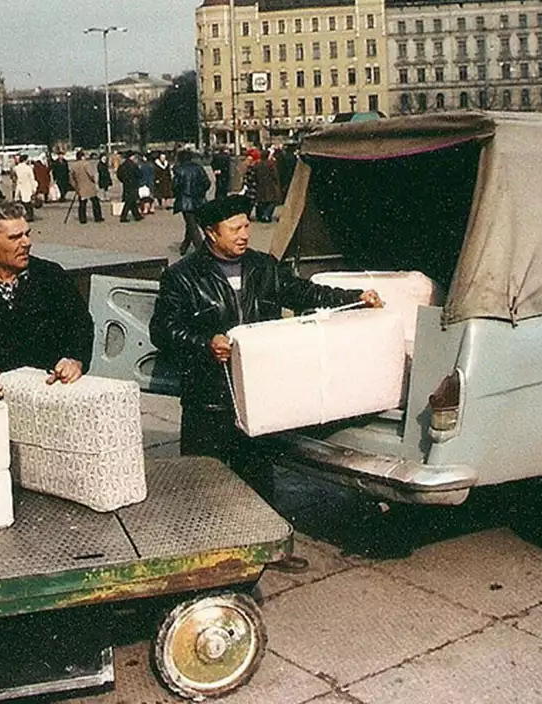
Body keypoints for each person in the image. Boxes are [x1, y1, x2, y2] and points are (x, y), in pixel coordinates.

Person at [149, 194, 382, 510]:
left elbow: (305, 292)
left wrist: (354, 298)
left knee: (258, 478)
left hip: (258, 397)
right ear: (211, 233)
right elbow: (163, 330)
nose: (244, 234)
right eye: (234, 229)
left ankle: (270, 550)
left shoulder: (264, 267)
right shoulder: (183, 276)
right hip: (209, 401)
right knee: (202, 483)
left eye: (246, 226)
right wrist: (206, 343)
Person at [0, 200, 94, 396]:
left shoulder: (52, 277)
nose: (26, 243)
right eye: (15, 237)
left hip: (52, 393)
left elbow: (81, 326)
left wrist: (76, 361)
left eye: (27, 234)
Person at [172, 149, 211, 254]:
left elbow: (175, 186)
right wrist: (200, 192)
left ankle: (200, 249)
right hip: (199, 200)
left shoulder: (179, 170)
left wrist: (179, 193)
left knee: (192, 225)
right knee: (193, 223)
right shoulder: (199, 168)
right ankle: (184, 246)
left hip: (185, 201)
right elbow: (207, 183)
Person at [71, 149, 104, 223]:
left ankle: (82, 219)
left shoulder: (74, 165)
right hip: (89, 186)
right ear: (82, 157)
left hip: (80, 186)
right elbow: (91, 174)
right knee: (95, 202)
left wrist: (75, 185)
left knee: (82, 204)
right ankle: (98, 217)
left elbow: (71, 177)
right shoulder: (86, 164)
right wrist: (94, 181)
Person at [253, 149, 282, 222]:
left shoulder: (258, 165)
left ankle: (262, 215)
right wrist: (277, 184)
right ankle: (266, 215)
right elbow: (275, 175)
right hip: (270, 185)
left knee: (262, 202)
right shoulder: (271, 164)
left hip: (260, 185)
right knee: (273, 201)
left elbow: (255, 175)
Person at [116, 151, 143, 222]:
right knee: (129, 201)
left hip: (126, 184)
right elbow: (139, 174)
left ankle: (137, 216)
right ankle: (123, 216)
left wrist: (123, 180)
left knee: (132, 200)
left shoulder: (123, 165)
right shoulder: (133, 165)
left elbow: (119, 174)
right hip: (133, 184)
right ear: (132, 157)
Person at [12, 154, 37, 221]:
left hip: (20, 185)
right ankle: (30, 215)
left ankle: (22, 215)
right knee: (28, 202)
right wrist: (34, 187)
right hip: (27, 185)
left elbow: (14, 177)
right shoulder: (28, 168)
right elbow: (32, 178)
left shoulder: (16, 168)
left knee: (21, 201)